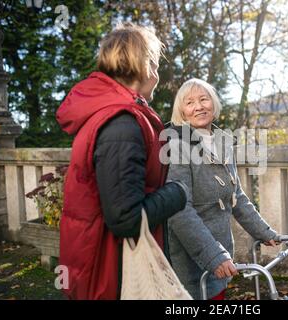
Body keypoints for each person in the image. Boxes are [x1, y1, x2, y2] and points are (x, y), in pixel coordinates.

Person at [56, 22, 188, 300]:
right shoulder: (122, 123)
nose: (157, 75)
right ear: (145, 67)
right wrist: (177, 193)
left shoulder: (110, 112)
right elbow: (125, 219)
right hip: (111, 271)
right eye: (155, 65)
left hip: (103, 262)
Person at [166, 78, 279, 300]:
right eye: (189, 102)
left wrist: (264, 232)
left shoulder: (222, 143)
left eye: (203, 99)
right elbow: (179, 211)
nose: (198, 106)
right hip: (194, 260)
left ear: (214, 104)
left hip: (220, 257)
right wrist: (213, 255)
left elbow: (236, 196)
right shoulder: (177, 147)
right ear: (181, 111)